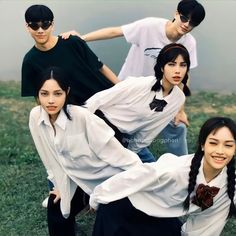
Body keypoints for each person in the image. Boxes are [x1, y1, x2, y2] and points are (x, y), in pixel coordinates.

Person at [61, 0, 206, 158]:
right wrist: (81, 39)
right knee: (124, 128)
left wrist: (180, 110)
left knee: (178, 127)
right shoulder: (150, 26)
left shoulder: (189, 43)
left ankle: (184, 167)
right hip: (130, 90)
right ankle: (122, 152)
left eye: (193, 23)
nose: (186, 24)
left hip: (162, 92)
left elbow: (184, 76)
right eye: (184, 18)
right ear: (176, 14)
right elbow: (115, 32)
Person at [28, 66, 142, 236]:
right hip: (76, 180)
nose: (51, 101)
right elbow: (48, 158)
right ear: (37, 94)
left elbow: (118, 154)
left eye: (57, 93)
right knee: (56, 207)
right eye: (44, 94)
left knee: (110, 223)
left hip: (109, 179)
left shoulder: (83, 117)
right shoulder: (36, 116)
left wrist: (142, 177)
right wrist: (58, 185)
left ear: (67, 92)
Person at [90, 116, 236, 236]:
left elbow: (208, 224)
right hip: (125, 210)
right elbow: (133, 178)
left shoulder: (228, 185)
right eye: (213, 143)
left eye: (228, 145)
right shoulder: (176, 169)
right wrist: (98, 197)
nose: (220, 151)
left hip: (161, 217)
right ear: (203, 145)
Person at [85, 43, 190, 162]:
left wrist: (131, 154)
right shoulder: (141, 84)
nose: (177, 71)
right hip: (98, 125)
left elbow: (150, 131)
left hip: (123, 136)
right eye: (171, 64)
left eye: (183, 65)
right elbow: (98, 99)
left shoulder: (178, 98)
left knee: (152, 170)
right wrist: (79, 125)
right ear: (162, 67)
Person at [22, 4, 119, 105]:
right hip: (79, 112)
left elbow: (101, 67)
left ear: (52, 25)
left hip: (107, 97)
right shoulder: (30, 61)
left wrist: (121, 88)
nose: (40, 30)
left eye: (45, 25)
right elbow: (39, 97)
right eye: (34, 26)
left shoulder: (72, 42)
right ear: (27, 27)